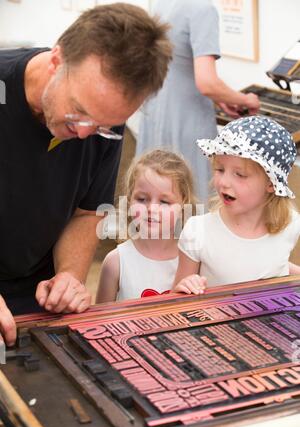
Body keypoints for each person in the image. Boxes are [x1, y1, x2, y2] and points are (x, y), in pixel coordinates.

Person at [0, 3, 173, 345]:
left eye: (102, 127)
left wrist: (69, 277)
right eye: (78, 112)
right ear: (56, 61)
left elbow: (87, 211)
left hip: (32, 294)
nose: (83, 135)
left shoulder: (106, 120)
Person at [136, 0, 260, 203]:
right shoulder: (203, 9)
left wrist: (221, 99)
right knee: (193, 199)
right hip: (186, 121)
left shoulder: (162, 4)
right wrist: (246, 99)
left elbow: (177, 67)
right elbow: (207, 83)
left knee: (157, 195)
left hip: (158, 112)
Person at [173, 115, 300, 295]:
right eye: (220, 169)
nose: (224, 182)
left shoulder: (291, 224)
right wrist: (185, 286)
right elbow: (173, 302)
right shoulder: (198, 232)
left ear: (271, 184)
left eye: (239, 174)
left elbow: (274, 262)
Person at [96, 150, 197, 302]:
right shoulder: (115, 262)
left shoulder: (193, 259)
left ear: (184, 204)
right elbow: (100, 321)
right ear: (129, 199)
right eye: (142, 199)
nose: (151, 209)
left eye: (164, 202)